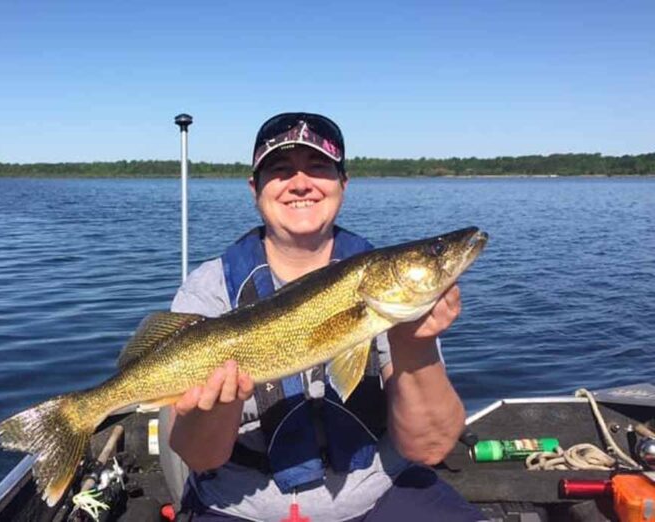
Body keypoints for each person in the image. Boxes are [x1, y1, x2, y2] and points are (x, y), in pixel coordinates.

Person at [161, 112, 484, 521]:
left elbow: (431, 449)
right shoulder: (208, 290)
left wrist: (414, 344)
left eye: (319, 168)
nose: (300, 183)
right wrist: (218, 403)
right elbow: (197, 455)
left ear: (342, 185)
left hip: (375, 492)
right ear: (254, 189)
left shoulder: (387, 294)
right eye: (280, 171)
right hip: (239, 503)